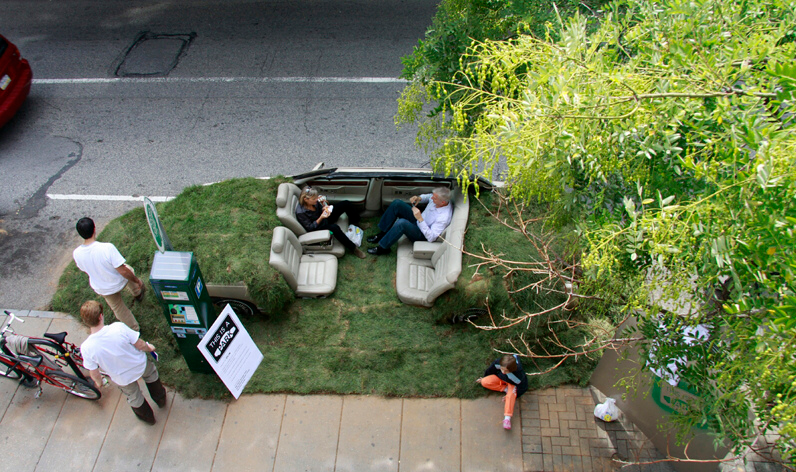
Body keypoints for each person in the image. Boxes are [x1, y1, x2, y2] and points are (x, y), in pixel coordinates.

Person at [79, 300, 167, 425]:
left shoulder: (86, 347)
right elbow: (140, 344)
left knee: (134, 396)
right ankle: (160, 399)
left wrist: (99, 383)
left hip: (122, 377)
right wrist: (150, 347)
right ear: (100, 316)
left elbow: (94, 373)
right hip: (139, 364)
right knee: (151, 376)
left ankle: (148, 418)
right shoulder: (118, 328)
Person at [73, 217, 145, 331]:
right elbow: (123, 271)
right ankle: (137, 292)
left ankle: (134, 329)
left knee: (118, 309)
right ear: (94, 229)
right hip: (119, 281)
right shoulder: (107, 248)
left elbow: (83, 268)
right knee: (129, 269)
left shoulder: (77, 253)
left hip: (103, 288)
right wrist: (137, 280)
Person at [366, 187, 452, 256]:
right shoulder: (438, 200)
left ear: (443, 202)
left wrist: (420, 219)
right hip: (419, 220)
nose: (432, 198)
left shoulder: (443, 218)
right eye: (433, 195)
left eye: (435, 198)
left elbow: (431, 237)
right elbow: (429, 196)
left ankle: (383, 248)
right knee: (397, 203)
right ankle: (382, 234)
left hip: (422, 234)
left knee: (402, 223)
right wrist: (419, 198)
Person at [295, 186, 366, 259]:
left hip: (324, 217)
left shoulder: (314, 202)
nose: (316, 199)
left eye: (316, 198)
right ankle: (354, 248)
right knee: (335, 228)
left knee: (346, 204)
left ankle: (357, 222)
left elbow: (320, 208)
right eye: (314, 199)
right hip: (318, 227)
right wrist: (321, 217)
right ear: (305, 199)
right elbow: (310, 227)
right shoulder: (300, 212)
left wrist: (324, 207)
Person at [476, 354, 529, 430]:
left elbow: (523, 387)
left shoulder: (519, 376)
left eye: (506, 371)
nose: (503, 372)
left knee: (510, 396)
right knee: (484, 382)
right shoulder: (498, 363)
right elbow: (491, 369)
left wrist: (516, 395)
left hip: (512, 385)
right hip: (501, 379)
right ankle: (505, 389)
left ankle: (507, 418)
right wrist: (485, 377)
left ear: (511, 369)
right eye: (502, 369)